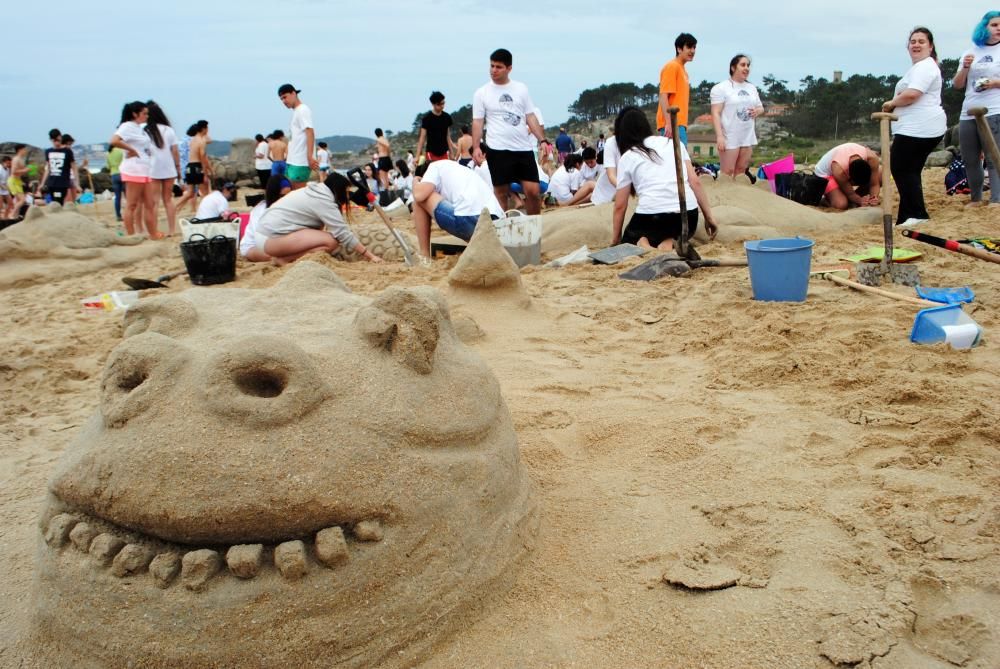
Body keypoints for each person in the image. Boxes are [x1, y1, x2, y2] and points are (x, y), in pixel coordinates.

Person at [612, 106, 718, 251]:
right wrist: (709, 217)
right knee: (672, 232)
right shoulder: (673, 144)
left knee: (631, 239)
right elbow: (695, 182)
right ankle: (668, 242)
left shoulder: (628, 156)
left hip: (653, 219)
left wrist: (616, 239)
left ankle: (643, 243)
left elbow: (620, 206)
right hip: (687, 218)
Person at [881, 27, 947, 227]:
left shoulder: (926, 66)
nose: (916, 45)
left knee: (901, 167)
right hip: (913, 127)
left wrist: (891, 104)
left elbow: (912, 94)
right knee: (908, 169)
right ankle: (908, 215)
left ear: (930, 46)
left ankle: (917, 214)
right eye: (913, 41)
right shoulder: (918, 67)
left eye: (921, 41)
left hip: (920, 128)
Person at [472, 48, 546, 214]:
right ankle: (502, 231)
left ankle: (535, 225)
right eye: (492, 66)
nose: (494, 70)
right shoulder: (481, 93)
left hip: (522, 148)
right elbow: (478, 122)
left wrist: (542, 139)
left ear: (509, 68)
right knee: (501, 193)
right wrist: (476, 147)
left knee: (533, 191)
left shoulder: (521, 89)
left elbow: (530, 117)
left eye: (499, 67)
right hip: (497, 149)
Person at [256, 172, 383, 265]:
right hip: (270, 238)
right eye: (346, 191)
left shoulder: (316, 191)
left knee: (324, 237)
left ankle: (285, 257)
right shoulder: (323, 201)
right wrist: (370, 256)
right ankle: (284, 259)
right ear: (338, 190)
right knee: (331, 242)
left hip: (267, 235)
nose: (347, 196)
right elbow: (342, 233)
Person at [411, 158, 504, 257]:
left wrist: (415, 181)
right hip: (496, 224)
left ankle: (424, 256)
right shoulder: (458, 169)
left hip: (469, 221)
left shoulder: (434, 167)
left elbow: (418, 195)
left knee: (418, 201)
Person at [954, 11, 1000, 207]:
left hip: (994, 109)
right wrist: (965, 67)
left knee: (993, 156)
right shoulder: (970, 51)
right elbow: (957, 84)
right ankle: (976, 198)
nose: (998, 29)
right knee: (970, 158)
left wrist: (994, 82)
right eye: (994, 25)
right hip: (968, 110)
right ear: (984, 27)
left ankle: (996, 199)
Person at [110, 101, 160, 238]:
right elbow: (114, 140)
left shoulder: (139, 128)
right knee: (132, 204)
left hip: (144, 169)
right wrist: (130, 149)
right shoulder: (126, 126)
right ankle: (131, 235)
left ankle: (153, 233)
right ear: (135, 114)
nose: (147, 116)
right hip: (133, 170)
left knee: (150, 203)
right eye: (144, 113)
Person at [710, 55, 764, 181]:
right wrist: (719, 136)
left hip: (747, 135)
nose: (746, 68)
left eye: (748, 65)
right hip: (729, 135)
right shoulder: (721, 88)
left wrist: (757, 111)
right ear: (733, 67)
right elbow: (715, 112)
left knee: (741, 172)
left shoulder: (751, 88)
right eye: (743, 65)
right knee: (727, 172)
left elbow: (760, 108)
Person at [145, 101, 181, 236]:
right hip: (169, 168)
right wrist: (178, 168)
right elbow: (175, 151)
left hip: (153, 169)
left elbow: (146, 151)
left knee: (154, 202)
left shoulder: (146, 131)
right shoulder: (169, 130)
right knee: (168, 200)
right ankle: (172, 230)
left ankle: (154, 230)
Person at [813, 143, 882, 210]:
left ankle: (848, 198)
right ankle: (826, 200)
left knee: (880, 175)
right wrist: (859, 200)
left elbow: (874, 184)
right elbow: (850, 194)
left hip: (845, 171)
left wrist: (874, 197)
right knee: (841, 204)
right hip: (824, 175)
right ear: (850, 178)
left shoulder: (872, 158)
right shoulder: (839, 170)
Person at [241, 175, 292, 263]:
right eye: (282, 196)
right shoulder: (261, 210)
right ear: (274, 195)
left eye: (289, 196)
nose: (286, 199)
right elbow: (260, 238)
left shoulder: (287, 207)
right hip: (254, 247)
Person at [657, 33, 697, 144]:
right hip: (673, 124)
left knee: (681, 160)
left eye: (694, 47)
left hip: (680, 124)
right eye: (689, 47)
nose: (692, 51)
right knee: (677, 160)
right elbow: (663, 95)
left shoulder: (683, 70)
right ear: (679, 49)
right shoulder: (672, 66)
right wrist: (669, 124)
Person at [278, 83, 317, 188]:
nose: (283, 101)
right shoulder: (296, 111)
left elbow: (310, 132)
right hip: (292, 160)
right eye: (281, 99)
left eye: (285, 97)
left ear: (293, 93)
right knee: (289, 191)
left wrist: (310, 157)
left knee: (298, 193)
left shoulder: (302, 110)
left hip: (300, 161)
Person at [176, 122, 212, 216]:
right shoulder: (201, 140)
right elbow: (203, 157)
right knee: (205, 192)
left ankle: (175, 207)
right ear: (204, 129)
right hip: (197, 166)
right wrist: (207, 171)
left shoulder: (189, 141)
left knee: (190, 192)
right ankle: (207, 211)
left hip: (188, 167)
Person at [415, 91, 457, 163]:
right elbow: (422, 138)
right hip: (431, 153)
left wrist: (451, 152)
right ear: (433, 104)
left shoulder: (447, 117)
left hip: (444, 152)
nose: (442, 106)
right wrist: (417, 156)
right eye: (439, 104)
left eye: (443, 103)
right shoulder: (427, 118)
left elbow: (447, 136)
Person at [39, 128, 74, 205]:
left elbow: (73, 167)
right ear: (51, 140)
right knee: (55, 201)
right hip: (52, 183)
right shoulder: (48, 151)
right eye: (54, 141)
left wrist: (77, 183)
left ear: (60, 138)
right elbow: (47, 169)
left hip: (63, 183)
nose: (56, 143)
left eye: (58, 140)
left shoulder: (67, 151)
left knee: (60, 201)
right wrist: (42, 183)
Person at [591, 129, 621, 205]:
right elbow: (598, 148)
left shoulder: (606, 142)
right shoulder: (608, 142)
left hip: (606, 154)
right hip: (605, 154)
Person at [7, 145, 29, 218]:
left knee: (18, 200)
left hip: (17, 181)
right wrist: (25, 170)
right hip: (13, 181)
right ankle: (12, 214)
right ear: (20, 150)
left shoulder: (20, 159)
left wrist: (27, 170)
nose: (25, 151)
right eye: (24, 149)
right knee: (22, 200)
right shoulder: (16, 159)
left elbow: (20, 172)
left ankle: (15, 216)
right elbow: (13, 171)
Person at [106, 144, 125, 221]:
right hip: (123, 174)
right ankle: (130, 214)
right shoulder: (121, 151)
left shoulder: (108, 153)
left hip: (114, 175)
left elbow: (108, 167)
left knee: (118, 197)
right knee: (128, 196)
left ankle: (118, 216)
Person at [374, 128, 393, 197]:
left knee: (383, 177)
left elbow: (387, 145)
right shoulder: (385, 138)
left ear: (376, 134)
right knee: (386, 177)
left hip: (382, 158)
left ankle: (385, 193)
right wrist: (388, 153)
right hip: (386, 158)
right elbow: (387, 146)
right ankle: (387, 193)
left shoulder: (379, 139)